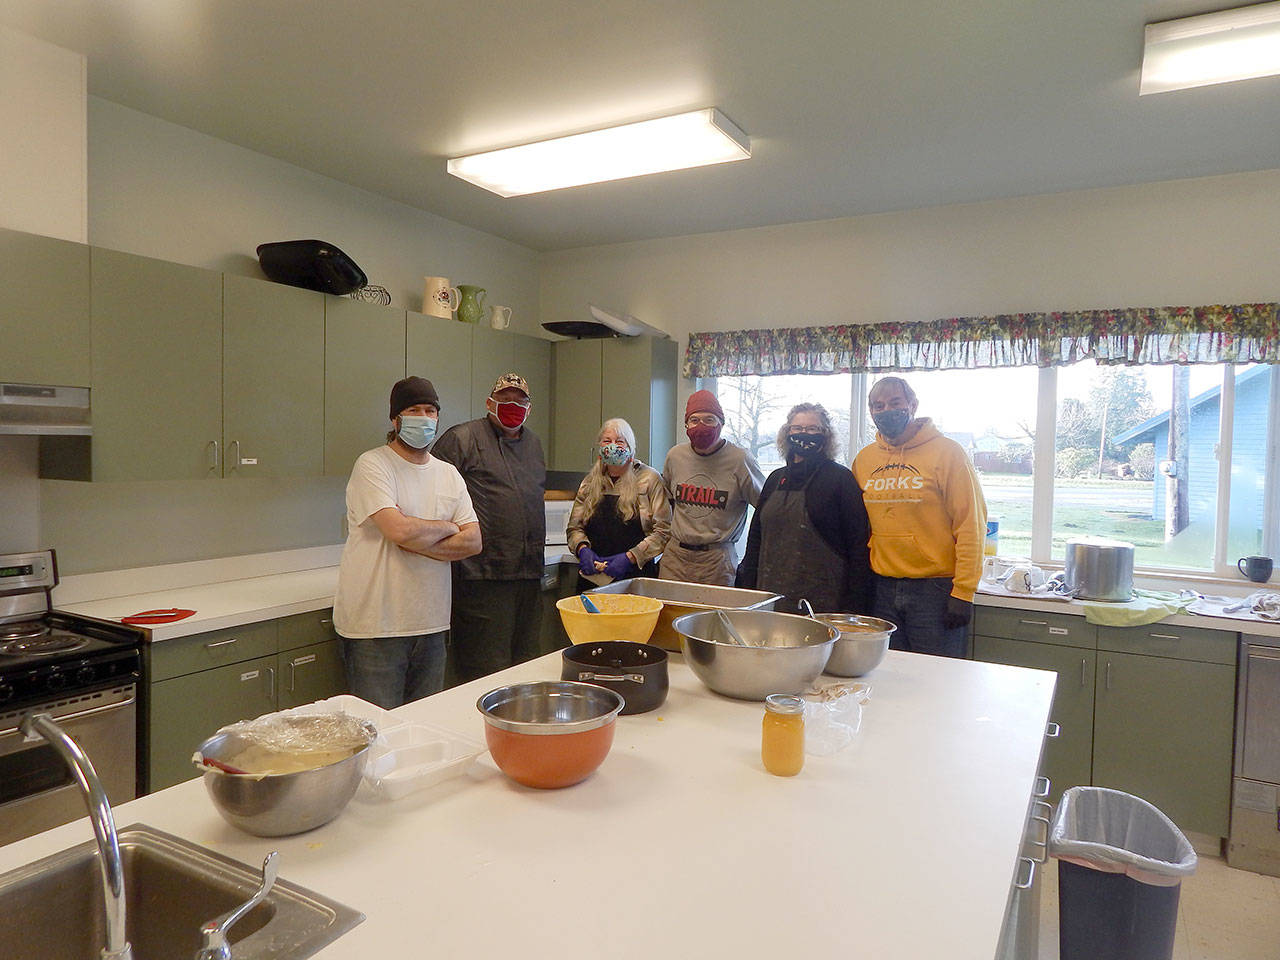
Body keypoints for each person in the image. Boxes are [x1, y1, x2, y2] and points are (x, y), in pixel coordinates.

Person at [332, 376, 481, 708]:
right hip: (375, 629)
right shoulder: (373, 465)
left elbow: (473, 541)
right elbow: (397, 530)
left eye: (430, 410)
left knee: (422, 729)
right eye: (414, 410)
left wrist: (417, 537)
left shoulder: (448, 474)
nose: (424, 418)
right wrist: (447, 527)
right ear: (395, 419)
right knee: (378, 735)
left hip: (431, 626)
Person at [852, 376, 987, 658]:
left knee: (938, 681)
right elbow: (859, 526)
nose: (886, 410)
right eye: (877, 406)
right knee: (890, 678)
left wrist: (963, 592)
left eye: (895, 403)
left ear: (912, 404)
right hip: (882, 588)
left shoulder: (948, 453)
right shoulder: (864, 460)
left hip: (935, 591)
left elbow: (971, 525)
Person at [432, 373, 546, 681]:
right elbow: (431, 495)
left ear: (529, 408)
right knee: (486, 672)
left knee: (526, 668)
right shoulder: (462, 439)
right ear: (489, 403)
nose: (513, 406)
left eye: (520, 401)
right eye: (505, 400)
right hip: (482, 579)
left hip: (528, 575)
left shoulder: (533, 444)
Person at [736, 403, 873, 614]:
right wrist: (747, 590)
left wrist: (854, 606)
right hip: (769, 597)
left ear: (825, 435)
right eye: (797, 428)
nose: (804, 434)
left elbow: (858, 548)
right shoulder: (775, 479)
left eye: (812, 429)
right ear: (787, 432)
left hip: (822, 602)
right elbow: (756, 540)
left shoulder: (840, 479)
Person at [660, 389, 764, 586]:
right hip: (675, 558)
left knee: (713, 616)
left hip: (717, 560)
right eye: (694, 420)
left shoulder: (740, 460)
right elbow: (668, 500)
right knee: (669, 614)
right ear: (686, 424)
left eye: (709, 419)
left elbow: (766, 507)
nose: (701, 426)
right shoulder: (675, 456)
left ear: (721, 424)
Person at [567, 418, 671, 591]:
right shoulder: (589, 483)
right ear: (599, 448)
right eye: (607, 441)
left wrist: (630, 557)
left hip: (636, 578)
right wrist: (582, 549)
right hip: (593, 577)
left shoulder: (649, 479)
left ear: (631, 448)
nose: (613, 446)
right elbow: (574, 528)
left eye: (620, 441)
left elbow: (663, 531)